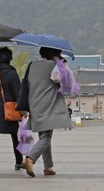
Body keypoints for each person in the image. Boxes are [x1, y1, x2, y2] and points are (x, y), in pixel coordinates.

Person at [22, 47, 73, 177]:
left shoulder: (32, 65)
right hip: (48, 104)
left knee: (44, 135)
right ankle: (30, 159)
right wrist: (62, 63)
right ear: (54, 53)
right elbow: (62, 81)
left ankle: (48, 166)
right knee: (46, 137)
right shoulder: (54, 65)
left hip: (34, 103)